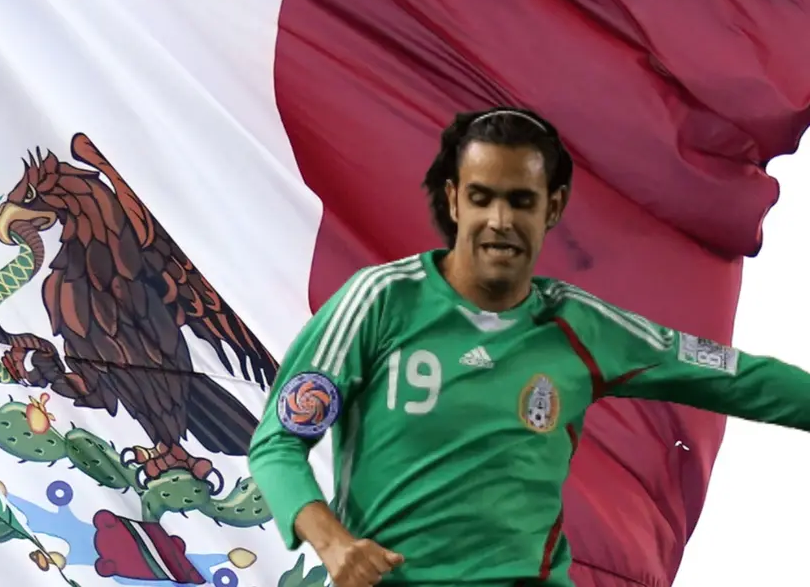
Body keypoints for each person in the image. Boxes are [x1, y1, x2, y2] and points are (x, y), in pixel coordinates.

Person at [247, 106, 810, 587]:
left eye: (520, 201)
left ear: (553, 207)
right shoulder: (378, 300)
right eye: (482, 198)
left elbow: (732, 375)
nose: (500, 221)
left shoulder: (580, 326)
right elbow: (277, 444)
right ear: (454, 200)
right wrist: (334, 543)